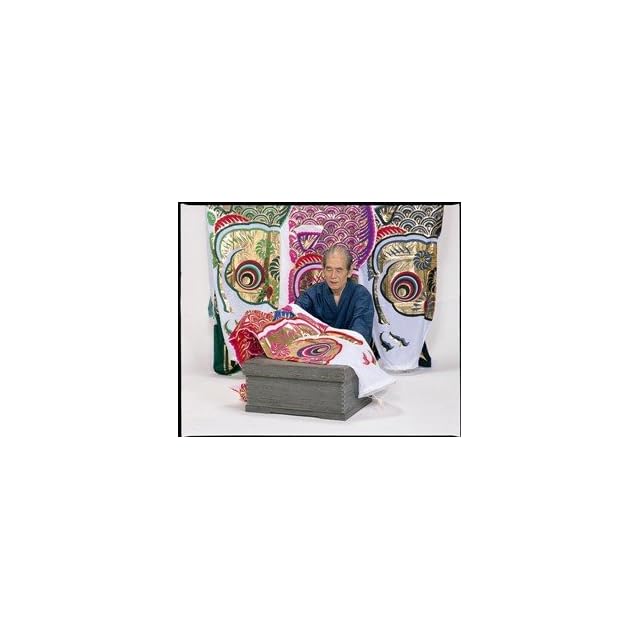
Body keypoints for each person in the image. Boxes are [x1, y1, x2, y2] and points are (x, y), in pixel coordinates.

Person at [294, 246, 374, 344]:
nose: (333, 276)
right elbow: (295, 313)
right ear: (323, 269)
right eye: (329, 269)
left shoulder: (361, 295)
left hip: (350, 350)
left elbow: (361, 332)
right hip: (317, 350)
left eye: (339, 270)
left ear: (349, 271)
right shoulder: (313, 293)